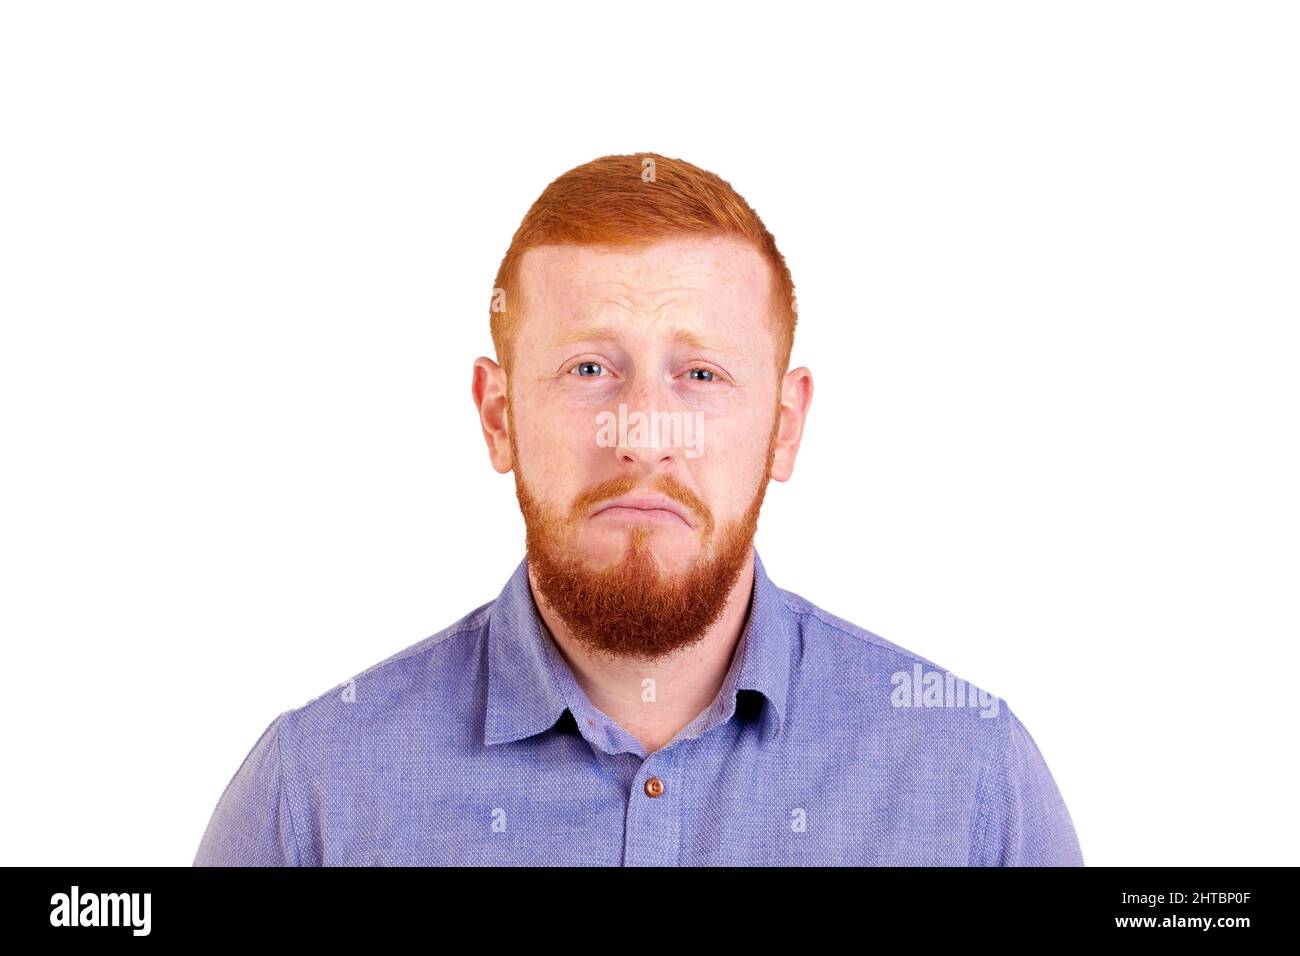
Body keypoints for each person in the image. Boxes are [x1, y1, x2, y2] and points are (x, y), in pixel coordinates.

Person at [194, 152, 1083, 866]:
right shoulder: (312, 794)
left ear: (783, 426)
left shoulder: (971, 781)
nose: (645, 433)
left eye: (700, 375)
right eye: (590, 370)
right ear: (500, 417)